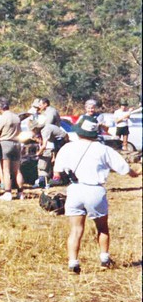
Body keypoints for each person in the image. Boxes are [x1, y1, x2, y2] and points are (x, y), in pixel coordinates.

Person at [53, 115, 139, 274]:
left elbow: (57, 172)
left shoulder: (67, 148)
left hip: (75, 189)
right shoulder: (103, 149)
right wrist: (136, 173)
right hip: (95, 190)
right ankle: (104, 259)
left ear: (78, 131)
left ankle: (73, 262)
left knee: (76, 229)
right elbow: (124, 169)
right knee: (102, 227)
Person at [0, 98, 22, 200]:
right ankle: (20, 192)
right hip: (17, 143)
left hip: (5, 143)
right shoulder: (16, 117)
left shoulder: (2, 118)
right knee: (17, 170)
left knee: (6, 170)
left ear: (0, 107)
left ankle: (7, 192)